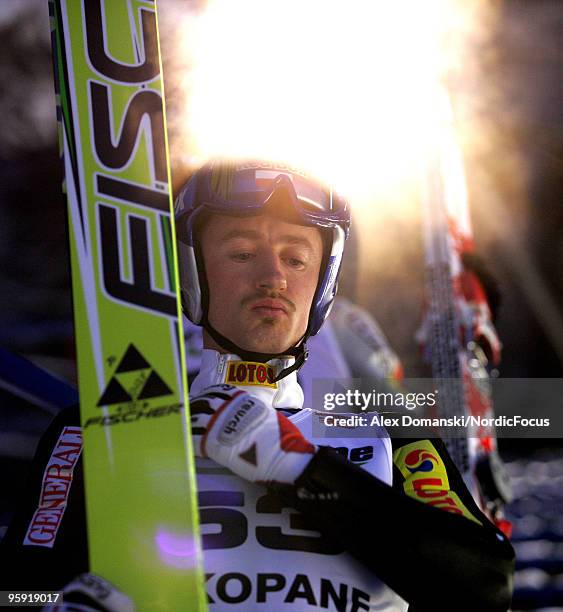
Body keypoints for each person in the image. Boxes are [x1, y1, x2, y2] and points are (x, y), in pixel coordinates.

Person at [1, 160, 514, 611]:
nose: (273, 277)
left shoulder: (384, 434)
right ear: (194, 273)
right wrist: (58, 603)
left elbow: (484, 586)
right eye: (242, 254)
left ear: (322, 284)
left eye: (296, 259)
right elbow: (16, 592)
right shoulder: (99, 431)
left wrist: (292, 463)